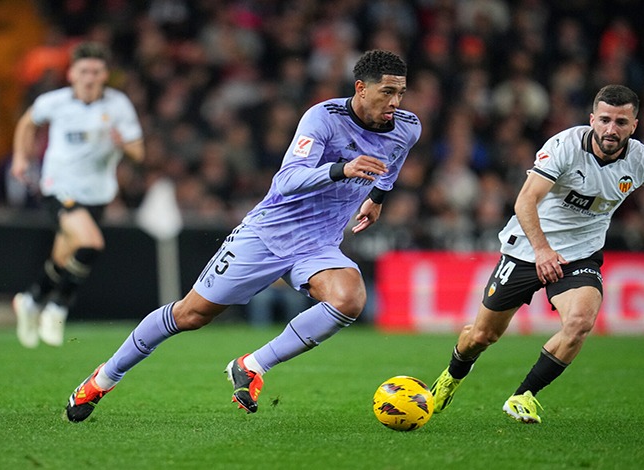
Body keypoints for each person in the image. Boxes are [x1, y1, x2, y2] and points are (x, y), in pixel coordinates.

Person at [64, 49, 420, 422]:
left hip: (319, 244)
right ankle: (103, 378)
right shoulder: (323, 119)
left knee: (349, 298)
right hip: (268, 233)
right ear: (361, 88)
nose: (395, 102)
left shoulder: (408, 127)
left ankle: (251, 366)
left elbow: (391, 164)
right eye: (387, 92)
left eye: (401, 93)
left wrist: (377, 198)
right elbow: (286, 180)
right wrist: (341, 169)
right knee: (190, 315)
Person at [430, 84, 644, 424]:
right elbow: (525, 200)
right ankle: (453, 375)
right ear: (592, 119)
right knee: (482, 336)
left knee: (579, 323)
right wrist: (543, 250)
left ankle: (523, 395)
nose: (611, 129)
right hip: (527, 248)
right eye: (604, 120)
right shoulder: (564, 146)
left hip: (581, 255)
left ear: (634, 125)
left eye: (621, 122)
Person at [11, 42, 144, 348]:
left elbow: (139, 152)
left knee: (63, 258)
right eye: (84, 71)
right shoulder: (54, 102)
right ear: (71, 74)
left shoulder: (118, 105)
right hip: (59, 186)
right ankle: (58, 307)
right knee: (91, 243)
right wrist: (20, 158)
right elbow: (27, 123)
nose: (90, 77)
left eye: (96, 71)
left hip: (97, 194)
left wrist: (121, 142)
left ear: (105, 74)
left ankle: (31, 299)